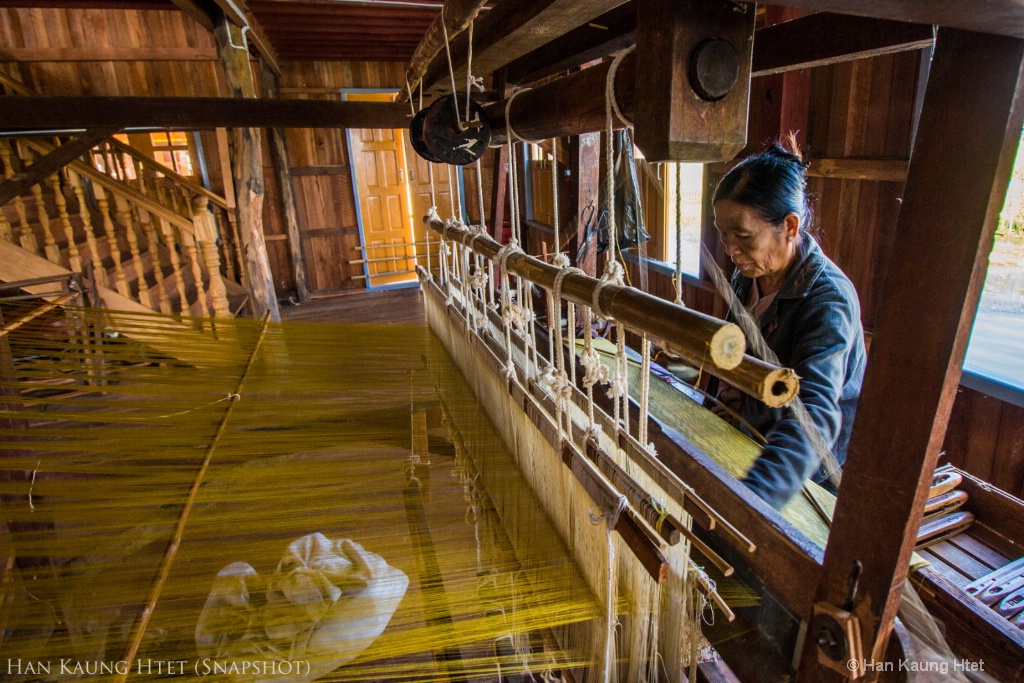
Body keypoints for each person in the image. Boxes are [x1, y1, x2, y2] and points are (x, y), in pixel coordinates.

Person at [711, 136, 866, 510]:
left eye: (744, 237)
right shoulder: (748, 275)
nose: (731, 252)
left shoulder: (828, 300)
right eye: (724, 236)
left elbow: (815, 414)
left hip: (804, 476)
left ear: (790, 226)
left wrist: (754, 498)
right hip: (749, 436)